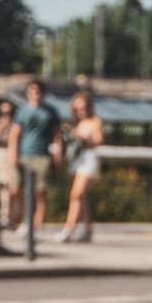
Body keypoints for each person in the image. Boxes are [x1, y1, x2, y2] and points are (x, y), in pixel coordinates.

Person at [10, 79, 63, 233]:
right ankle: (26, 219)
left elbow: (57, 135)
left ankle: (38, 224)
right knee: (18, 189)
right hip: (24, 154)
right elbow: (15, 133)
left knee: (40, 191)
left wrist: (58, 156)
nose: (34, 95)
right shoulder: (22, 111)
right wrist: (13, 154)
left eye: (37, 91)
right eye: (31, 91)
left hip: (42, 155)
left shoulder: (50, 112)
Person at [60, 91, 106, 243]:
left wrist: (83, 139)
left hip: (89, 159)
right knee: (82, 197)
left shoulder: (95, 121)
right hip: (77, 159)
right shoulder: (74, 123)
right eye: (78, 108)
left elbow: (99, 140)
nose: (81, 110)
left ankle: (69, 228)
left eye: (83, 107)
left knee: (76, 194)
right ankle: (87, 229)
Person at [0, 100, 19, 226]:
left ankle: (12, 216)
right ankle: (1, 215)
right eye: (3, 113)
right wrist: (1, 127)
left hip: (12, 152)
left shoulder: (17, 124)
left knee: (12, 186)